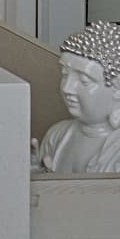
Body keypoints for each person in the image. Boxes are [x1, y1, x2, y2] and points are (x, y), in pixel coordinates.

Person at [35, 21, 120, 174]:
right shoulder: (57, 136)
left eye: (84, 80)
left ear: (117, 89)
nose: (67, 88)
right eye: (65, 75)